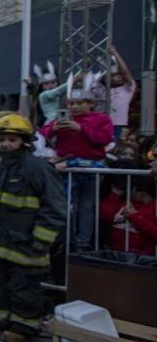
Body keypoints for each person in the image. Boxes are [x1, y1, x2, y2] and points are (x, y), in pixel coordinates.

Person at [0, 113, 66, 342]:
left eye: (12, 139)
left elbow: (54, 205)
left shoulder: (38, 169)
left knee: (23, 284)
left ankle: (25, 325)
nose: (6, 144)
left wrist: (43, 238)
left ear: (24, 141)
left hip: (25, 239)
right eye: (2, 139)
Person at [40, 79, 114, 250]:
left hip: (91, 167)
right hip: (66, 167)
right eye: (71, 103)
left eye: (79, 103)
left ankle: (84, 243)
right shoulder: (62, 117)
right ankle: (68, 241)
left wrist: (81, 129)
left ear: (91, 104)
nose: (74, 107)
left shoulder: (102, 119)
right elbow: (42, 134)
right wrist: (54, 129)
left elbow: (105, 139)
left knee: (87, 206)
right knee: (67, 206)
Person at [99, 169, 157, 255]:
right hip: (113, 254)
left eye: (132, 188)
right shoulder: (125, 202)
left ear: (141, 193)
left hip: (138, 257)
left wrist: (135, 216)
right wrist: (114, 195)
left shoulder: (154, 208)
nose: (128, 190)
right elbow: (105, 216)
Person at [106, 46, 137, 141]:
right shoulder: (102, 90)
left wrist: (115, 53)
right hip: (102, 124)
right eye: (114, 75)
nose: (119, 77)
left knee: (117, 149)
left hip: (119, 125)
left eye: (120, 75)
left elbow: (124, 71)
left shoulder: (127, 89)